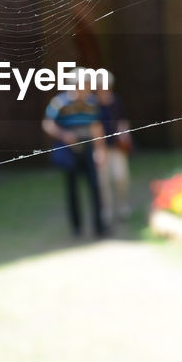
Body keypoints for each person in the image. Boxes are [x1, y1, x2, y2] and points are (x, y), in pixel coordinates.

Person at [43, 72, 108, 238]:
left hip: (88, 148)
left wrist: (99, 150)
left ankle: (99, 226)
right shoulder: (60, 103)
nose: (85, 89)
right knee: (72, 189)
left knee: (94, 186)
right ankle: (76, 227)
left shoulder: (92, 102)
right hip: (69, 150)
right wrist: (64, 135)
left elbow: (96, 126)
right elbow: (48, 124)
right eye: (82, 85)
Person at [93, 70, 133, 224]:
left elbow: (123, 119)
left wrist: (124, 133)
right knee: (103, 182)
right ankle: (106, 211)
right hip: (101, 148)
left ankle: (123, 206)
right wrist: (98, 148)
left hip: (117, 147)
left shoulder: (116, 100)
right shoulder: (93, 104)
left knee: (120, 176)